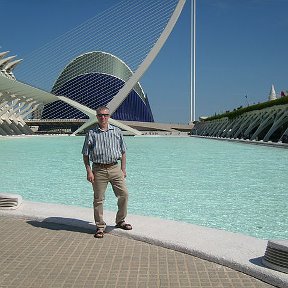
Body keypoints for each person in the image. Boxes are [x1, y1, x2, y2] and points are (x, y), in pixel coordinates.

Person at [82, 106, 132, 238]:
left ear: (109, 116)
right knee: (98, 199)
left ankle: (120, 220)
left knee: (124, 195)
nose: (103, 117)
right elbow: (85, 154)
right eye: (100, 115)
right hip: (98, 170)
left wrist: (123, 169)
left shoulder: (117, 131)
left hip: (115, 168)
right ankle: (99, 226)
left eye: (105, 115)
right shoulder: (91, 133)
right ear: (96, 117)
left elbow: (123, 151)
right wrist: (89, 171)